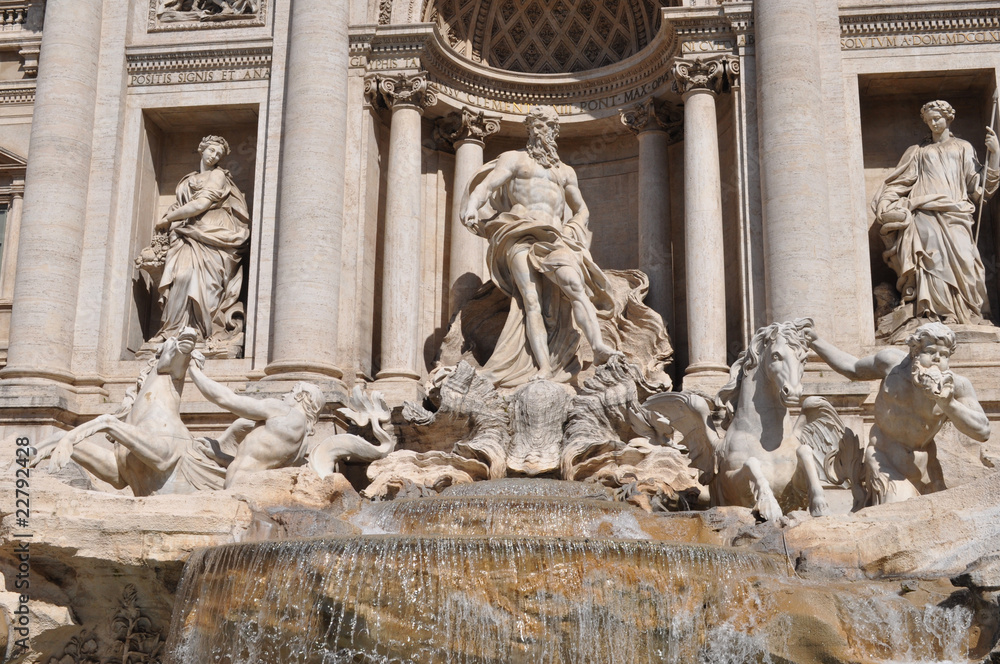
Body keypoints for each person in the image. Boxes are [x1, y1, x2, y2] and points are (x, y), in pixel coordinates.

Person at [460, 105, 618, 387]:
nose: (547, 132)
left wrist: (572, 228)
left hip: (555, 237)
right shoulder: (514, 160)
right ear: (531, 129)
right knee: (530, 301)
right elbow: (486, 186)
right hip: (518, 233)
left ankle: (598, 347)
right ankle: (544, 367)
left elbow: (581, 209)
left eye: (551, 127)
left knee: (575, 286)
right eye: (541, 126)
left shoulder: (565, 171)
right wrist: (472, 205)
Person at [805, 321, 989, 505]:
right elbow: (852, 368)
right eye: (930, 352)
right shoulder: (891, 364)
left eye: (944, 355)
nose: (937, 359)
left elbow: (982, 431)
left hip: (925, 468)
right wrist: (815, 341)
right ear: (915, 352)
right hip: (884, 460)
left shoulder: (957, 386)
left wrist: (948, 404)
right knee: (899, 510)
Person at [873, 100, 1000, 329]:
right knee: (931, 257)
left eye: (937, 117)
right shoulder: (918, 151)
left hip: (956, 211)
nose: (933, 122)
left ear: (948, 118)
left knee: (966, 259)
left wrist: (995, 154)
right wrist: (885, 200)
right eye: (929, 119)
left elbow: (979, 188)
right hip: (924, 211)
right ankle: (939, 313)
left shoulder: (963, 147)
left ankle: (969, 312)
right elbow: (900, 182)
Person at [152, 135, 250, 352]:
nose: (214, 156)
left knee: (204, 282)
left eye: (218, 154)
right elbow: (182, 204)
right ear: (202, 149)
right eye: (211, 150)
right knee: (181, 277)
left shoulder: (218, 176)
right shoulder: (187, 180)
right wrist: (172, 217)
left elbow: (202, 203)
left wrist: (169, 218)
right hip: (186, 234)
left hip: (213, 234)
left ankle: (200, 331)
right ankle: (173, 330)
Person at [187, 360, 325, 488]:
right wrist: (219, 457)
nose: (284, 396)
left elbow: (226, 399)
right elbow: (258, 466)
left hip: (238, 489)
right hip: (251, 489)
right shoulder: (302, 444)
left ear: (300, 396)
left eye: (290, 392)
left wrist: (194, 370)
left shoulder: (285, 412)